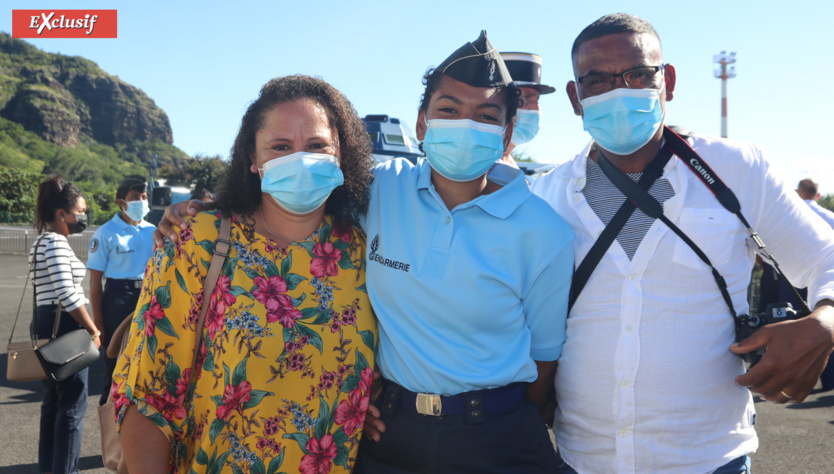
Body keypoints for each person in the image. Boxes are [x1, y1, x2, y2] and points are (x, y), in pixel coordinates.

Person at [156, 31, 574, 473]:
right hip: (391, 433)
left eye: (486, 116)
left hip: (498, 438)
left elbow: (544, 359)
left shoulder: (544, 231)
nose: (465, 126)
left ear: (507, 134)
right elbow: (296, 197)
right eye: (449, 110)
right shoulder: (379, 190)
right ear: (421, 124)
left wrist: (488, 418)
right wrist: (200, 210)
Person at [530, 13, 834, 473]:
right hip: (582, 459)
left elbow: (825, 256)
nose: (619, 91)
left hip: (710, 459)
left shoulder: (738, 169)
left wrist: (825, 323)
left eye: (638, 74)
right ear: (576, 97)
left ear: (667, 82)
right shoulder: (545, 195)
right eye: (597, 80)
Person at [112, 75, 378, 473]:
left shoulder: (363, 251)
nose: (300, 160)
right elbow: (148, 392)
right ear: (253, 159)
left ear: (341, 151)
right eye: (281, 147)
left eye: (317, 146)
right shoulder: (197, 240)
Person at [30, 176, 102, 474]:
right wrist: (93, 329)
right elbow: (68, 294)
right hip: (65, 326)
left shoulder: (41, 241)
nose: (83, 217)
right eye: (80, 212)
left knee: (53, 402)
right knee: (72, 404)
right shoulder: (56, 243)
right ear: (62, 213)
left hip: (47, 321)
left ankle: (49, 468)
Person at [87, 175, 155, 406]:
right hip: (117, 298)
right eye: (135, 197)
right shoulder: (106, 232)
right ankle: (109, 416)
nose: (141, 202)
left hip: (148, 298)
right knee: (115, 364)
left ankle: (136, 420)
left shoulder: (154, 231)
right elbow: (95, 281)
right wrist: (98, 321)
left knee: (146, 363)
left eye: (144, 197)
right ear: (121, 202)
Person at [497, 51, 556, 168]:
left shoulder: (511, 166)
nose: (536, 107)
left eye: (537, 99)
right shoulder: (481, 168)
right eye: (527, 97)